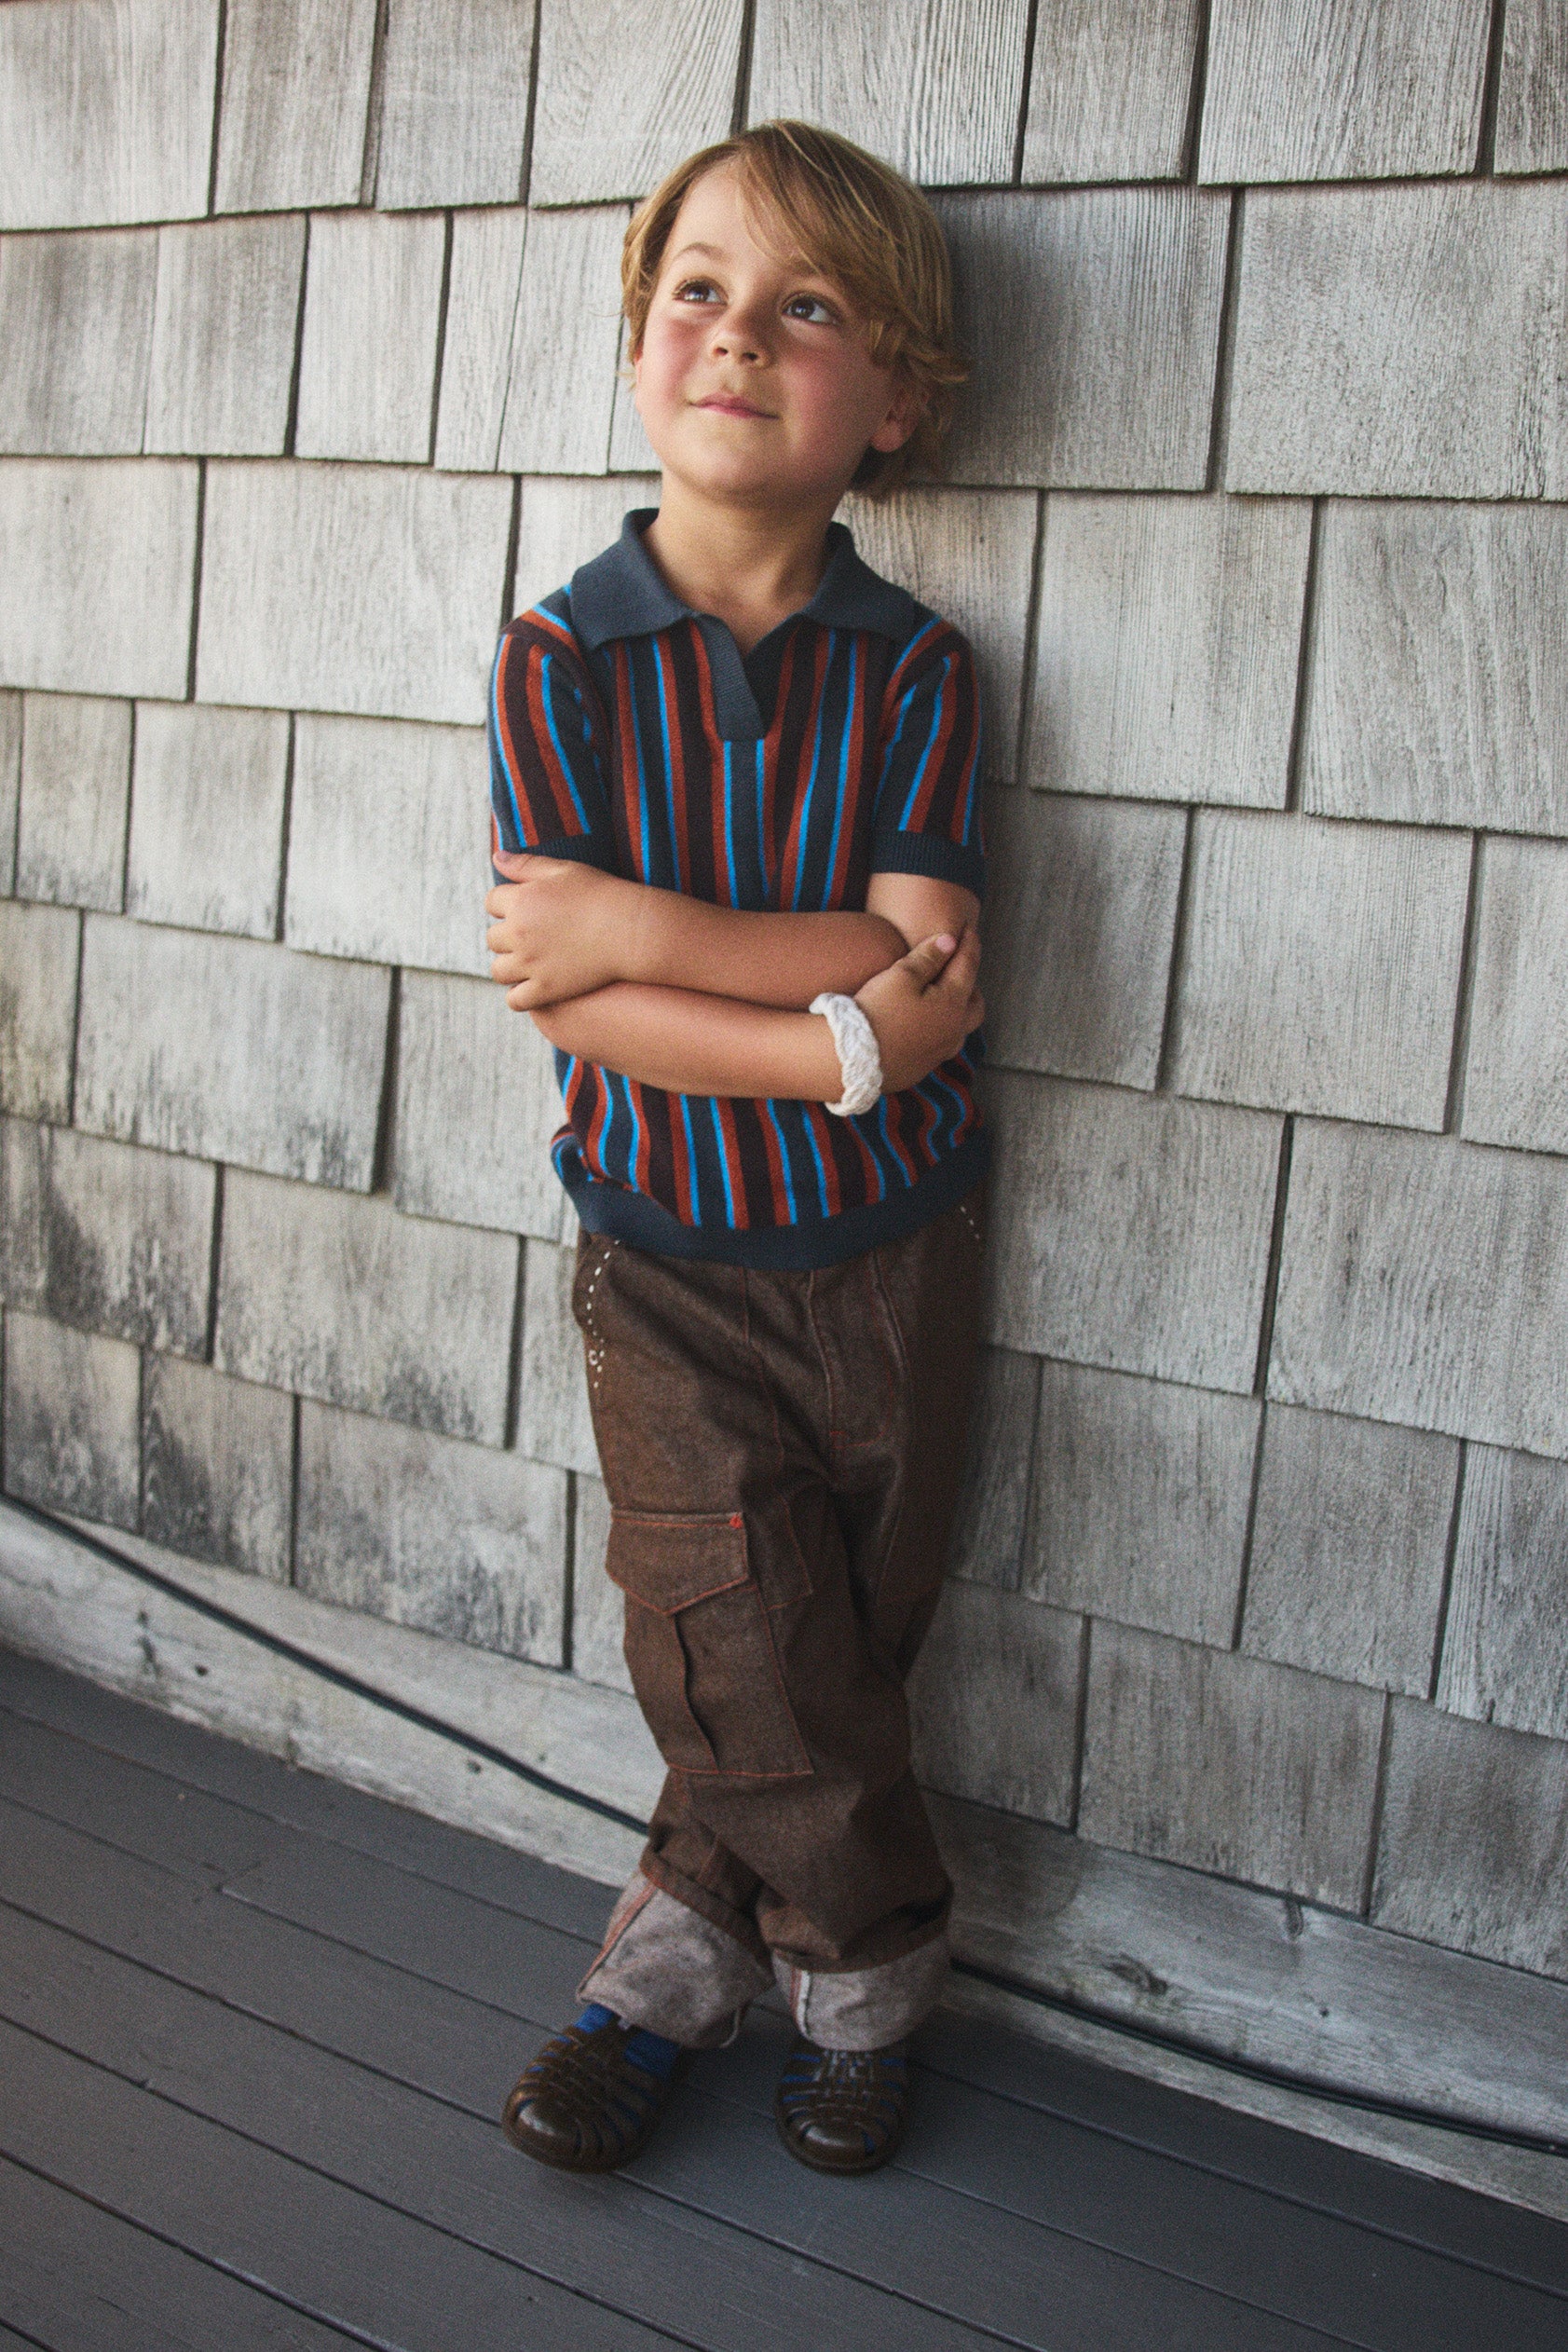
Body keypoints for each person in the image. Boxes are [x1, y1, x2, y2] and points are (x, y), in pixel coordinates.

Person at [483, 118, 987, 2180]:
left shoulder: (915, 668)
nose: (740, 333)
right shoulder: (561, 658)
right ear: (637, 346)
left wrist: (651, 927)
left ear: (897, 402)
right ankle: (866, 1970)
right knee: (724, 1618)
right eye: (697, 288)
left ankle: (678, 1944)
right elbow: (566, 995)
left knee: (835, 1620)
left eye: (809, 304)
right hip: (664, 1247)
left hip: (895, 1243)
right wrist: (841, 1045)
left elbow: (913, 948)